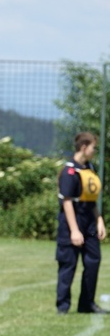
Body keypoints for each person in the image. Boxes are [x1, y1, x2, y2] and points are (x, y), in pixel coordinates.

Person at [56, 131, 108, 314]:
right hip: (73, 222)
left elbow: (91, 199)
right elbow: (67, 201)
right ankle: (63, 306)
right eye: (93, 147)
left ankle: (86, 304)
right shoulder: (70, 171)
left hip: (89, 222)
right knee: (68, 262)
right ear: (84, 148)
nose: (95, 151)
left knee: (94, 260)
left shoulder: (89, 168)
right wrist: (74, 230)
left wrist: (99, 220)